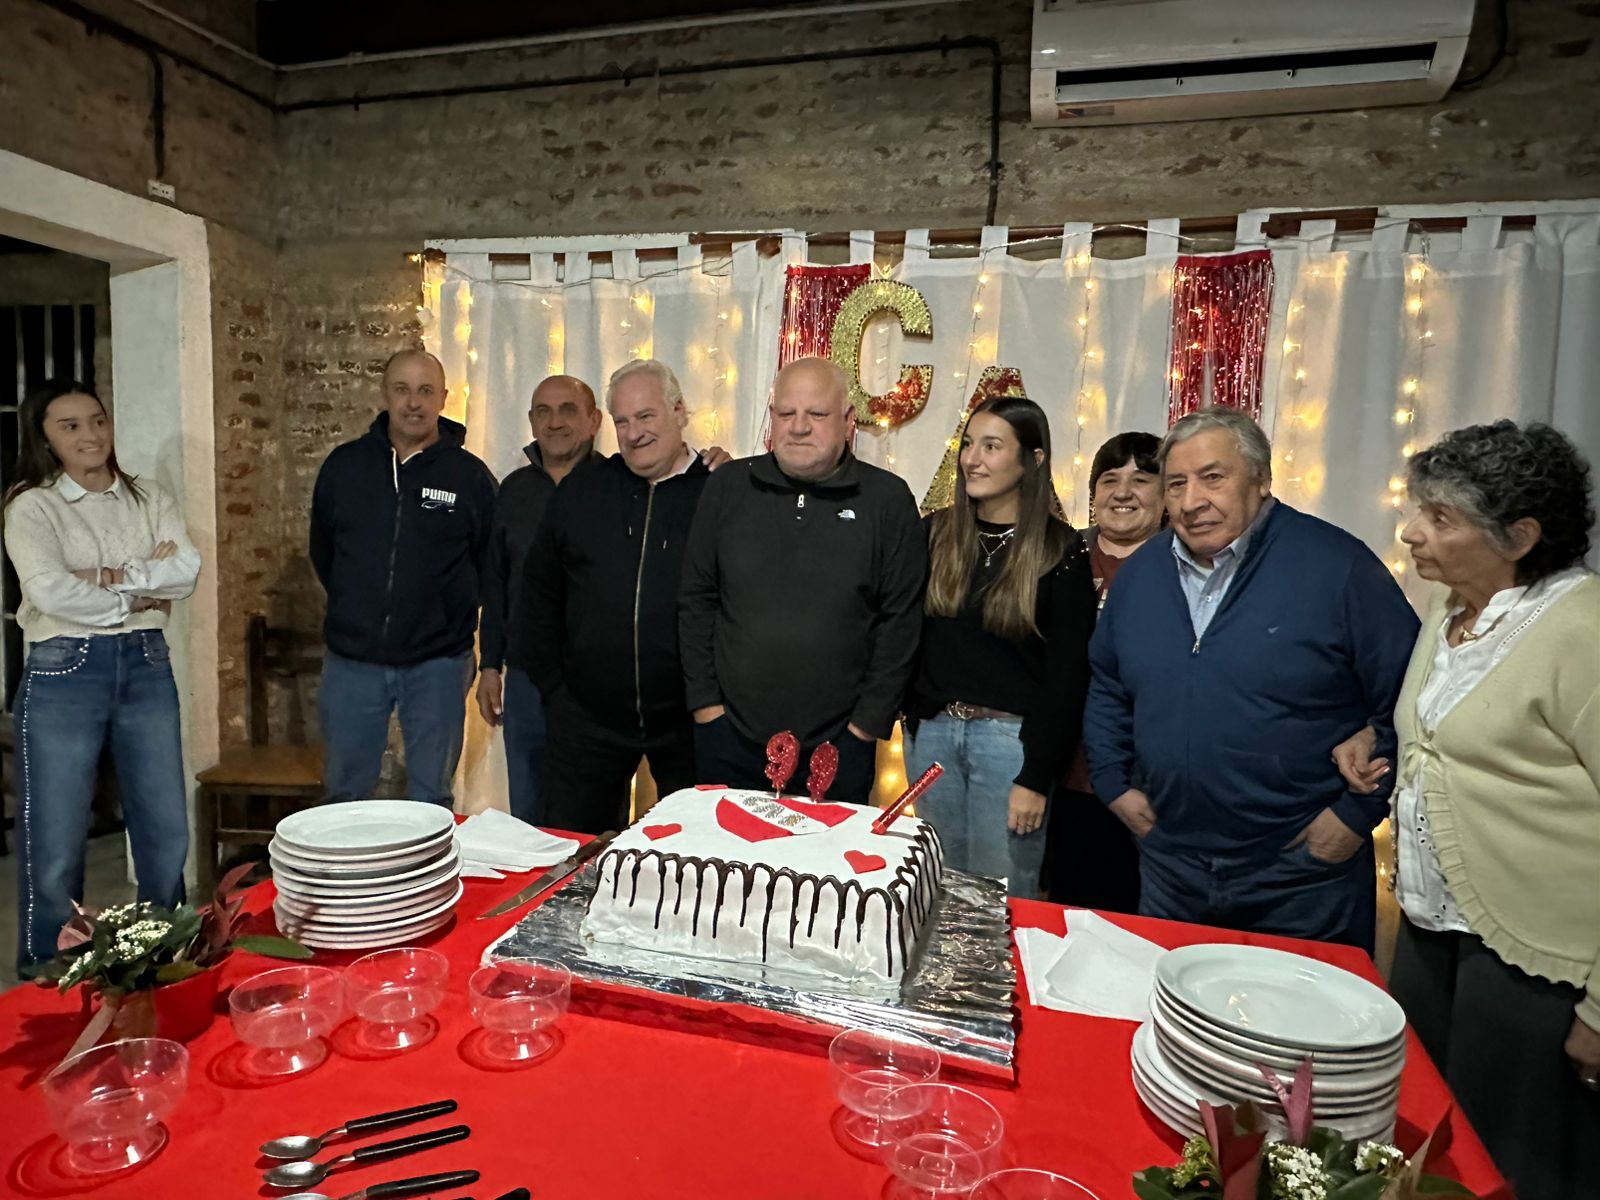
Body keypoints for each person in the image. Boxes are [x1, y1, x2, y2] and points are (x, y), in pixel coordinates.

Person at [1332, 421, 1598, 1197]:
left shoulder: (1580, 629)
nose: (1411, 532)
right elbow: (1455, 734)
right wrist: (1377, 740)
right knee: (1425, 1138)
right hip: (1433, 929)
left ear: (1520, 536)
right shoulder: (1454, 608)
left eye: (1440, 518)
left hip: (1534, 955)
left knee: (1507, 1163)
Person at [1083, 407, 1418, 951]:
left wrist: (1355, 817)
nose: (1192, 501)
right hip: (1171, 868)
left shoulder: (1337, 566)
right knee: (1173, 1002)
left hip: (1301, 872)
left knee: (1297, 1008)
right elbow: (1108, 685)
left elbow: (1410, 698)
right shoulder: (1142, 573)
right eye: (1176, 484)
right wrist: (1112, 783)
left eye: (1213, 478)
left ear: (1261, 480)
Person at [3, 382, 199, 975]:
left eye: (97, 420)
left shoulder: (148, 496)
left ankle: (163, 950)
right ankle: (49, 964)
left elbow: (185, 571)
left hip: (146, 661)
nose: (90, 435)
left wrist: (105, 576)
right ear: (44, 437)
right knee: (56, 829)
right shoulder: (32, 506)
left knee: (163, 822)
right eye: (70, 426)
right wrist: (138, 592)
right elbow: (49, 591)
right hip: (64, 667)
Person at [680, 356, 927, 805]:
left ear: (848, 421)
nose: (798, 427)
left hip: (840, 748)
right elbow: (696, 600)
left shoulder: (887, 500)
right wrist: (706, 708)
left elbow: (900, 623)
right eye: (786, 413)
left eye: (816, 414)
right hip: (727, 739)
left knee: (827, 854)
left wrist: (864, 728)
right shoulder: (728, 487)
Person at [903, 396, 1096, 897]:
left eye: (991, 446)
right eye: (969, 445)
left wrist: (1036, 776)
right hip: (934, 739)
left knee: (1001, 895)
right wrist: (911, 717)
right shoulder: (934, 534)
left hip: (1011, 746)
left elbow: (1067, 676)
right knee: (935, 889)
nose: (973, 459)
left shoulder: (1060, 550)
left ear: (1032, 460)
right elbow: (904, 634)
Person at [513, 360, 711, 834]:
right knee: (573, 851)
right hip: (587, 720)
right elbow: (538, 592)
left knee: (696, 855)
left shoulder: (719, 491)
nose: (634, 433)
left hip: (689, 722)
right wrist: (557, 691)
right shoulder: (583, 490)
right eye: (622, 421)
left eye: (645, 416)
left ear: (679, 411)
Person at [309, 349, 497, 807]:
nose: (414, 402)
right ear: (385, 394)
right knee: (343, 797)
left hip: (438, 664)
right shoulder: (344, 467)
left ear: (443, 398)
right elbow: (325, 552)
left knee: (432, 798)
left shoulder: (469, 477)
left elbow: (489, 565)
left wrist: (446, 614)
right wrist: (360, 608)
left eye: (426, 391)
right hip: (353, 663)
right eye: (403, 389)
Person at [1045, 431, 1163, 910]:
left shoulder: (1186, 564)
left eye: (1141, 479)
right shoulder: (1060, 555)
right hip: (1064, 775)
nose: (1123, 492)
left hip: (1145, 782)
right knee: (1068, 908)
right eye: (1109, 479)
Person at [476, 375, 602, 824]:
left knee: (591, 809)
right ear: (531, 421)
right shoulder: (514, 491)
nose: (554, 422)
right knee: (527, 808)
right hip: (526, 678)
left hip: (595, 679)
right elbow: (496, 584)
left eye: (568, 410)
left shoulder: (616, 485)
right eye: (543, 412)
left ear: (594, 420)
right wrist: (490, 666)